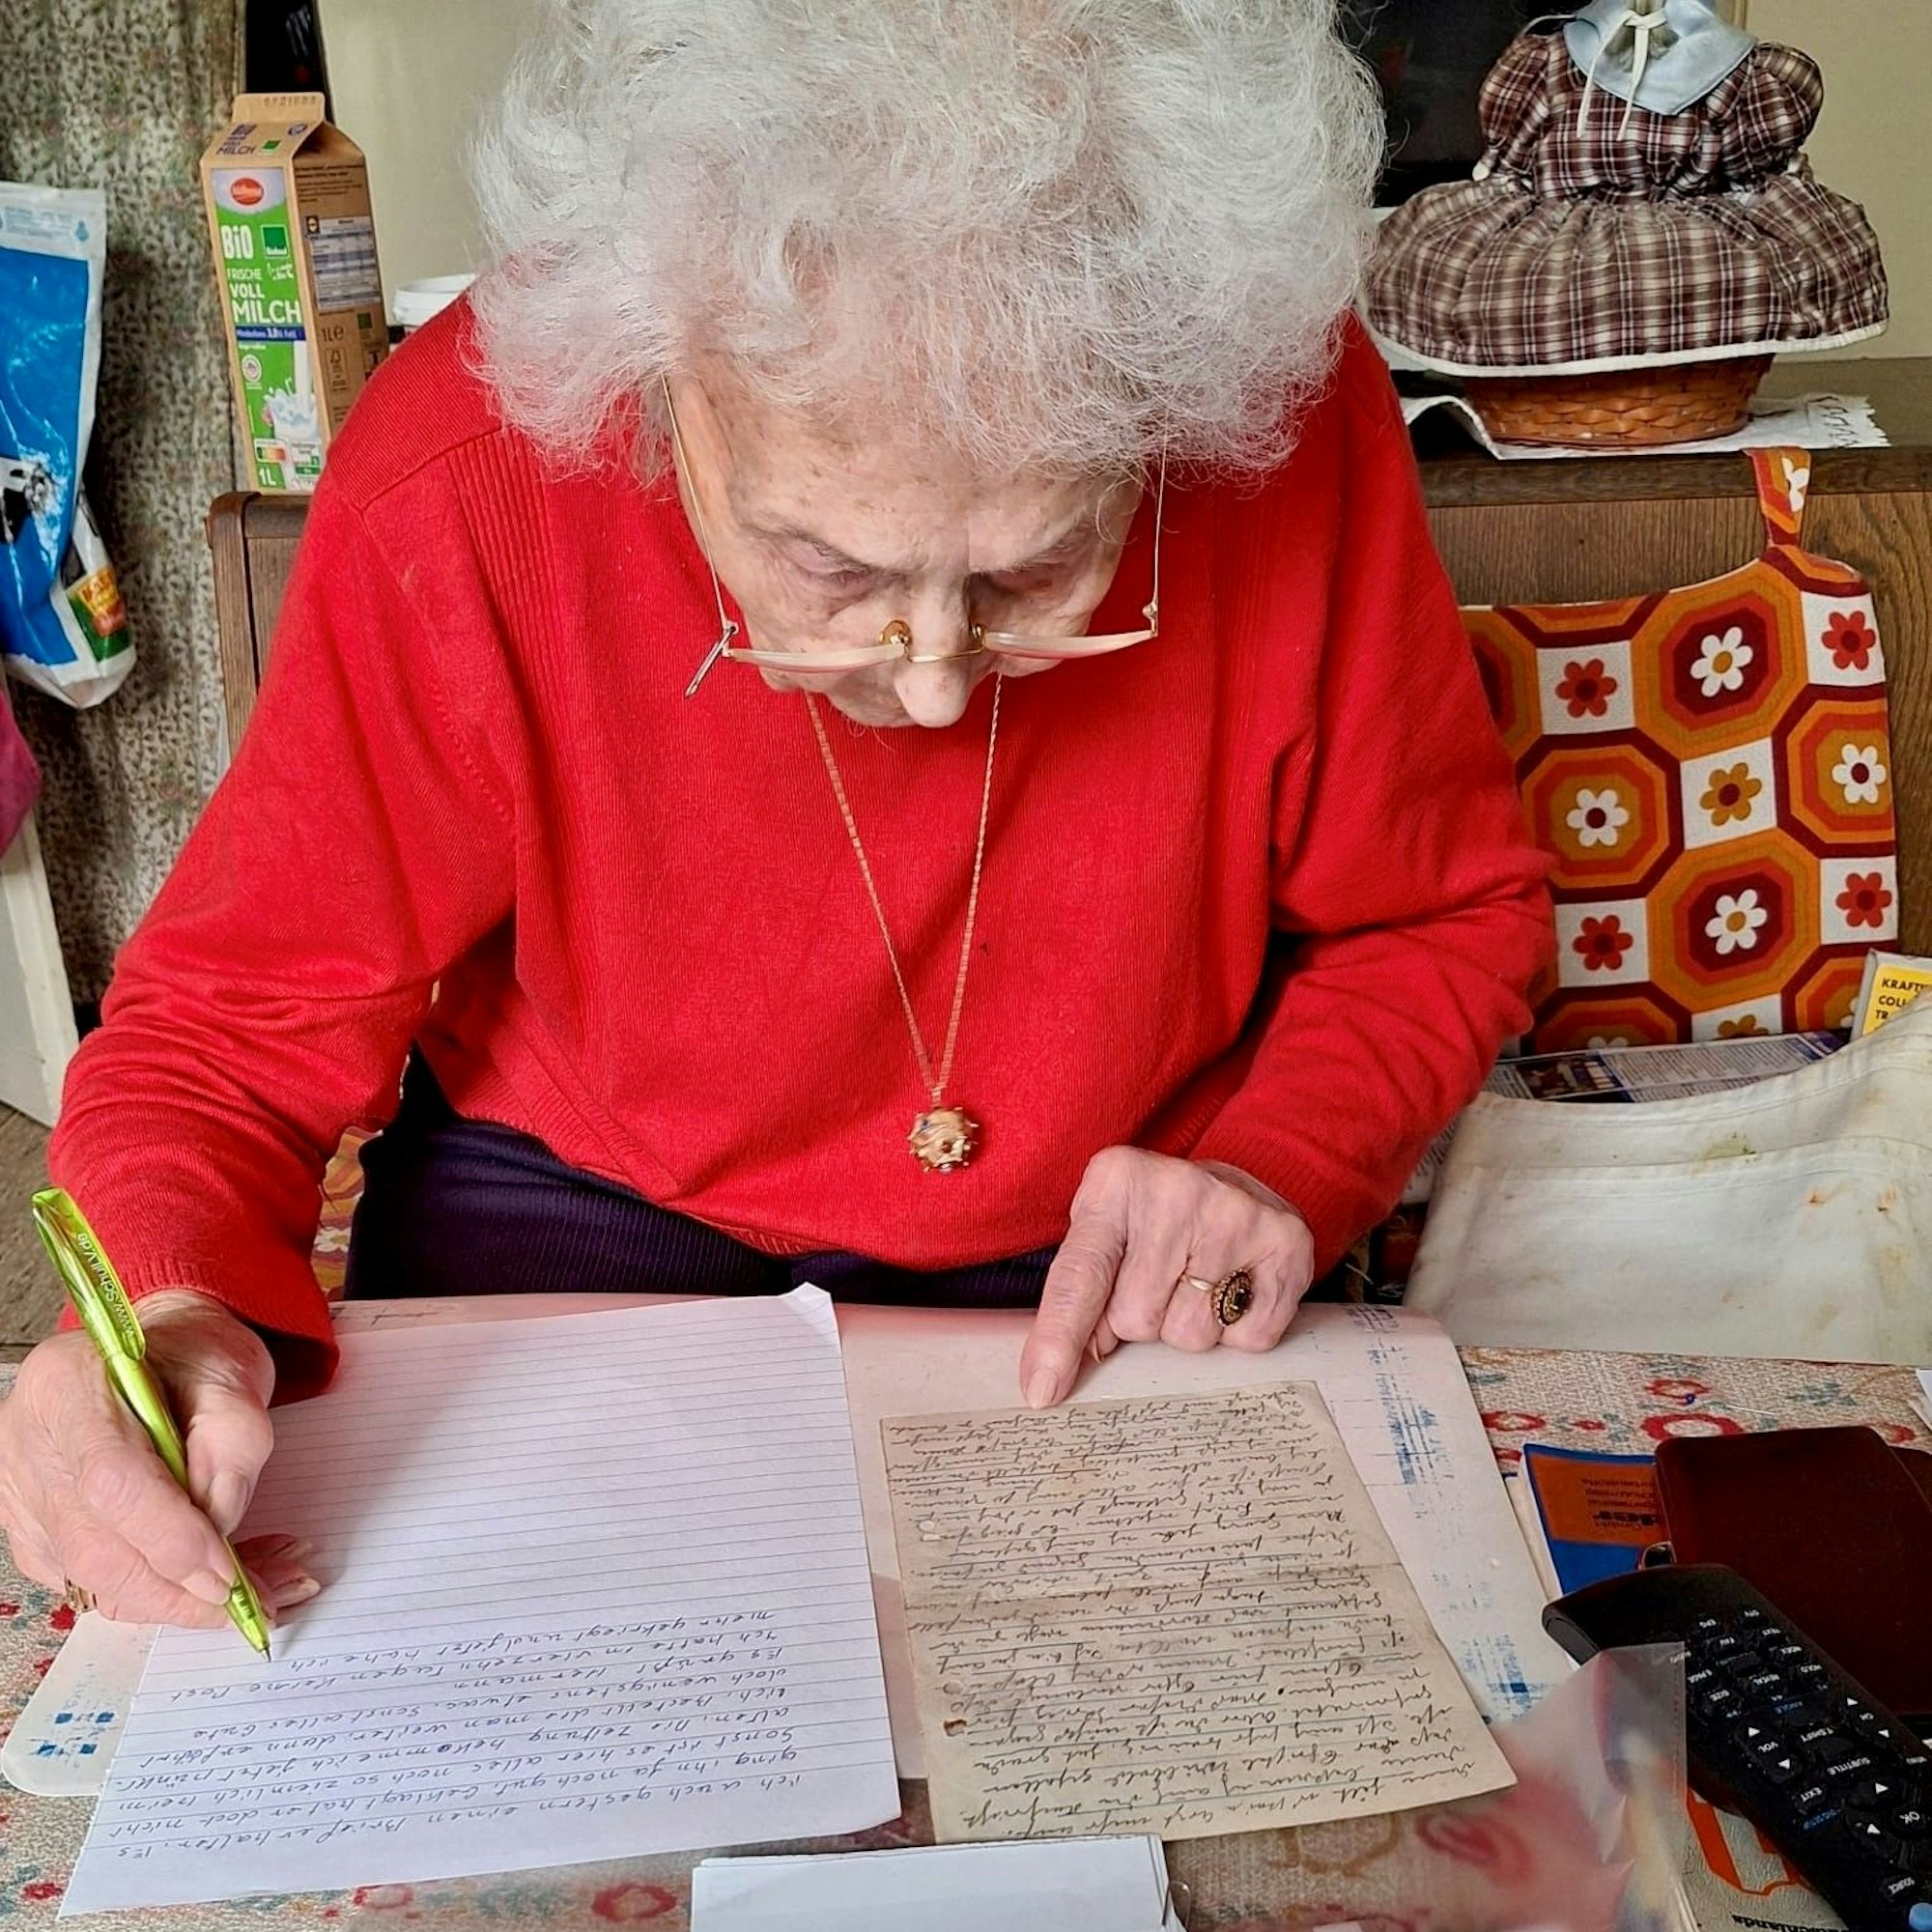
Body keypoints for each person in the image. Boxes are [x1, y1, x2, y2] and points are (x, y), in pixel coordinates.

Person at [0, 0, 1551, 1634]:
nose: (938, 685)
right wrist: (159, 1309)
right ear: (669, 372)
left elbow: (1442, 910)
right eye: (831, 568)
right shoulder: (474, 465)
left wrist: (1277, 1160)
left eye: (1036, 572)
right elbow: (232, 1022)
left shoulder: (1280, 413)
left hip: (1117, 1230)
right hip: (580, 1212)